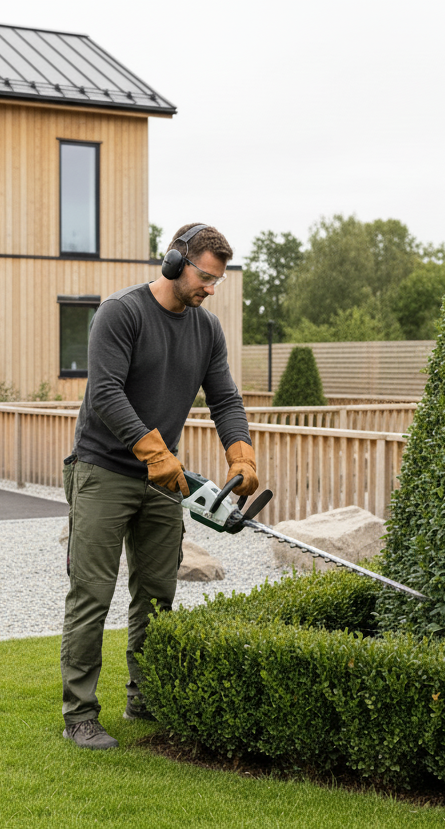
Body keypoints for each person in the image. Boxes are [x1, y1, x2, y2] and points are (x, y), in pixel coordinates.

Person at [60, 223, 260, 750]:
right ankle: (80, 714)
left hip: (162, 481)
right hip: (103, 472)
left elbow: (225, 400)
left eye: (217, 281)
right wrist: (153, 451)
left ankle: (144, 698)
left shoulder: (206, 330)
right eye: (204, 277)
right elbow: (104, 392)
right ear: (174, 261)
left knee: (157, 593)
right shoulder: (121, 313)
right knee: (92, 594)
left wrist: (240, 453)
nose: (210, 289)